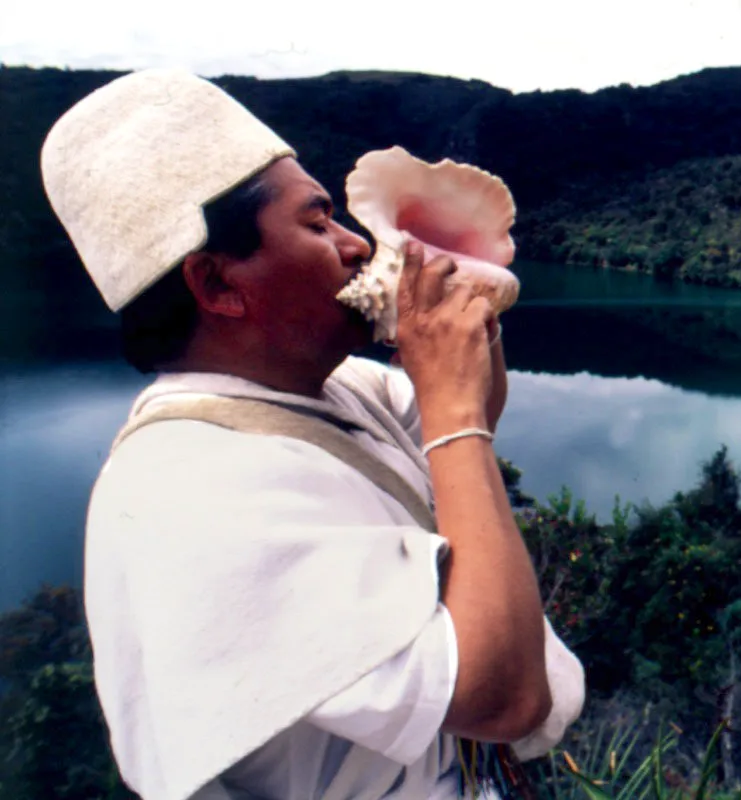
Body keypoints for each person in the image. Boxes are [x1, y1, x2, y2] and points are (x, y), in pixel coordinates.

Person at [40, 68, 584, 800]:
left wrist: (462, 301)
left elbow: (472, 413)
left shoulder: (334, 387)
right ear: (218, 286)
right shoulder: (190, 493)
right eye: (318, 222)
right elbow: (504, 699)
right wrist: (453, 410)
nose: (356, 245)